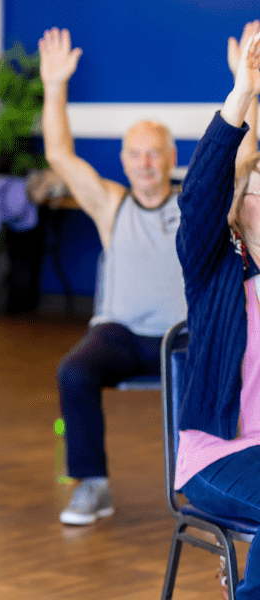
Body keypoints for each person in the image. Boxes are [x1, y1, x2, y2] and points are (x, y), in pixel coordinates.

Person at [39, 27, 188, 525]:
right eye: (135, 154)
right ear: (124, 161)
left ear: (172, 159)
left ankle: (213, 486)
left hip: (183, 338)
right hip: (120, 334)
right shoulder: (112, 204)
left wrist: (248, 88)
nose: (145, 163)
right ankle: (92, 486)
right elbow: (60, 155)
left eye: (154, 154)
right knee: (73, 371)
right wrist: (56, 85)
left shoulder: (196, 205)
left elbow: (246, 157)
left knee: (233, 366)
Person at [174, 23, 260, 600]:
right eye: (253, 190)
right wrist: (242, 97)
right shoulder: (216, 272)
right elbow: (201, 192)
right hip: (219, 456)